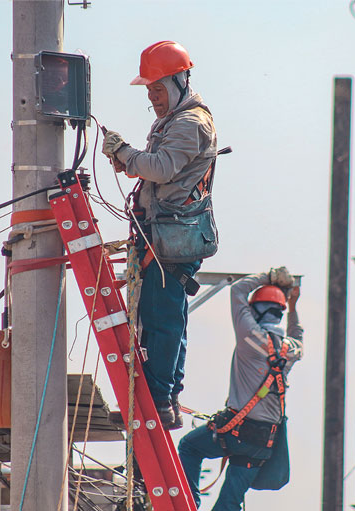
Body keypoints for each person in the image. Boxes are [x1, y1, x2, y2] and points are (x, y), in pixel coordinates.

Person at [101, 40, 218, 430]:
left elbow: (164, 168)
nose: (153, 99)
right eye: (149, 91)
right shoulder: (174, 120)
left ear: (179, 82)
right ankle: (165, 397)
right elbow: (160, 170)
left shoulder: (189, 123)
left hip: (172, 238)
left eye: (157, 90)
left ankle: (158, 401)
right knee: (167, 318)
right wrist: (132, 162)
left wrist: (124, 154)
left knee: (160, 319)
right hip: (166, 234)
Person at [178, 268, 303, 510]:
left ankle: (188, 504)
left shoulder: (250, 336)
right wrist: (294, 305)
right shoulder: (291, 350)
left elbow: (238, 290)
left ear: (257, 310)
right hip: (262, 442)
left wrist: (269, 277)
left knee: (189, 447)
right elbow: (297, 333)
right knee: (229, 504)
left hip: (236, 430)